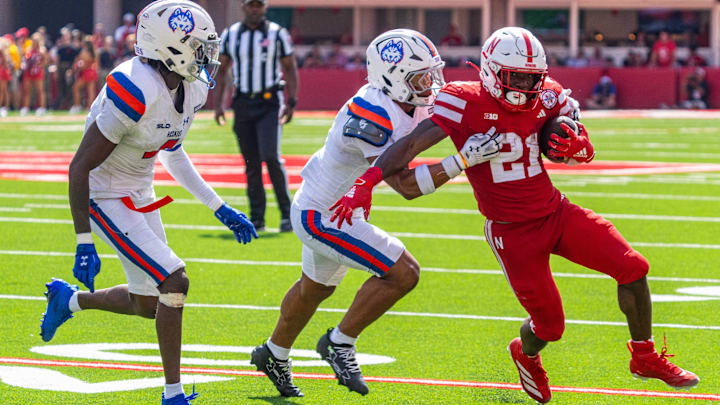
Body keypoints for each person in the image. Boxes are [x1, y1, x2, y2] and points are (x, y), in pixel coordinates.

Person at [331, 27, 700, 404]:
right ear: (491, 72)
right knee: (550, 327)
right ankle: (525, 353)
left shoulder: (548, 94)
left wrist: (579, 145)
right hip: (512, 232)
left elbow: (572, 134)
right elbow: (409, 145)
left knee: (633, 267)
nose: (526, 87)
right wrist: (368, 180)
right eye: (517, 78)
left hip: (555, 212)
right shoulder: (461, 100)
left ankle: (644, 356)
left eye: (532, 79)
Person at [39, 2, 257, 404]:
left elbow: (172, 152)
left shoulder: (190, 86)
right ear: (170, 46)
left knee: (147, 305)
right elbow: (79, 167)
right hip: (103, 194)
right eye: (198, 46)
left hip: (140, 191)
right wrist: (83, 241)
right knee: (174, 280)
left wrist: (218, 206)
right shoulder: (133, 85)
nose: (208, 56)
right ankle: (172, 394)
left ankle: (68, 300)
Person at [249, 29, 477, 398]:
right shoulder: (370, 113)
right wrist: (461, 160)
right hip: (321, 214)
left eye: (432, 73)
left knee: (315, 289)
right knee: (404, 274)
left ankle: (273, 353)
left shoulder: (406, 100)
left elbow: (437, 125)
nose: (431, 84)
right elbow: (404, 185)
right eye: (421, 76)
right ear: (392, 78)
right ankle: (340, 343)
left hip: (337, 210)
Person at [214, 0, 299, 232]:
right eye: (251, 5)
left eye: (258, 5)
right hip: (242, 102)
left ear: (264, 7)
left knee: (271, 156)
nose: (254, 9)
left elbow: (290, 67)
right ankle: (257, 217)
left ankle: (286, 214)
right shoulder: (231, 34)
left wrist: (292, 102)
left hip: (269, 101)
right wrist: (219, 104)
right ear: (244, 7)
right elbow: (222, 70)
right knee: (251, 163)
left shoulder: (277, 33)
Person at [20, 32, 48, 116]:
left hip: (38, 72)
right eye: (33, 40)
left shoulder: (42, 50)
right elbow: (24, 58)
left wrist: (39, 66)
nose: (35, 42)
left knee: (40, 90)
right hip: (28, 72)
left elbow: (45, 61)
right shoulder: (28, 49)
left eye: (36, 40)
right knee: (27, 90)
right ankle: (26, 107)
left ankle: (42, 108)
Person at [70, 38, 99, 113]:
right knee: (91, 91)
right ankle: (89, 108)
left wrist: (77, 68)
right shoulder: (95, 52)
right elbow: (97, 64)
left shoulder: (84, 52)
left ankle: (77, 106)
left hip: (86, 72)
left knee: (75, 88)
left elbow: (82, 65)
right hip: (93, 72)